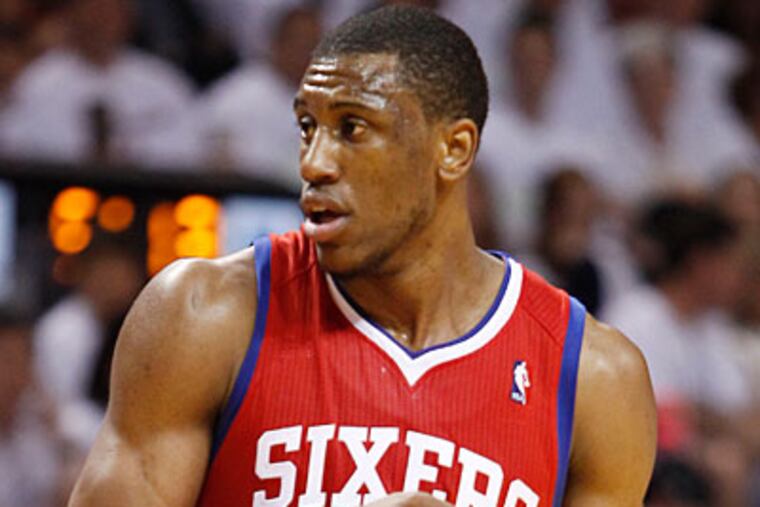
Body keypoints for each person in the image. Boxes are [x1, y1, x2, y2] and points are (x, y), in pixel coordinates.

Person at [70, 6, 656, 506]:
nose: (314, 163)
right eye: (307, 127)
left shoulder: (594, 379)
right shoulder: (206, 313)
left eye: (352, 128)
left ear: (454, 150)